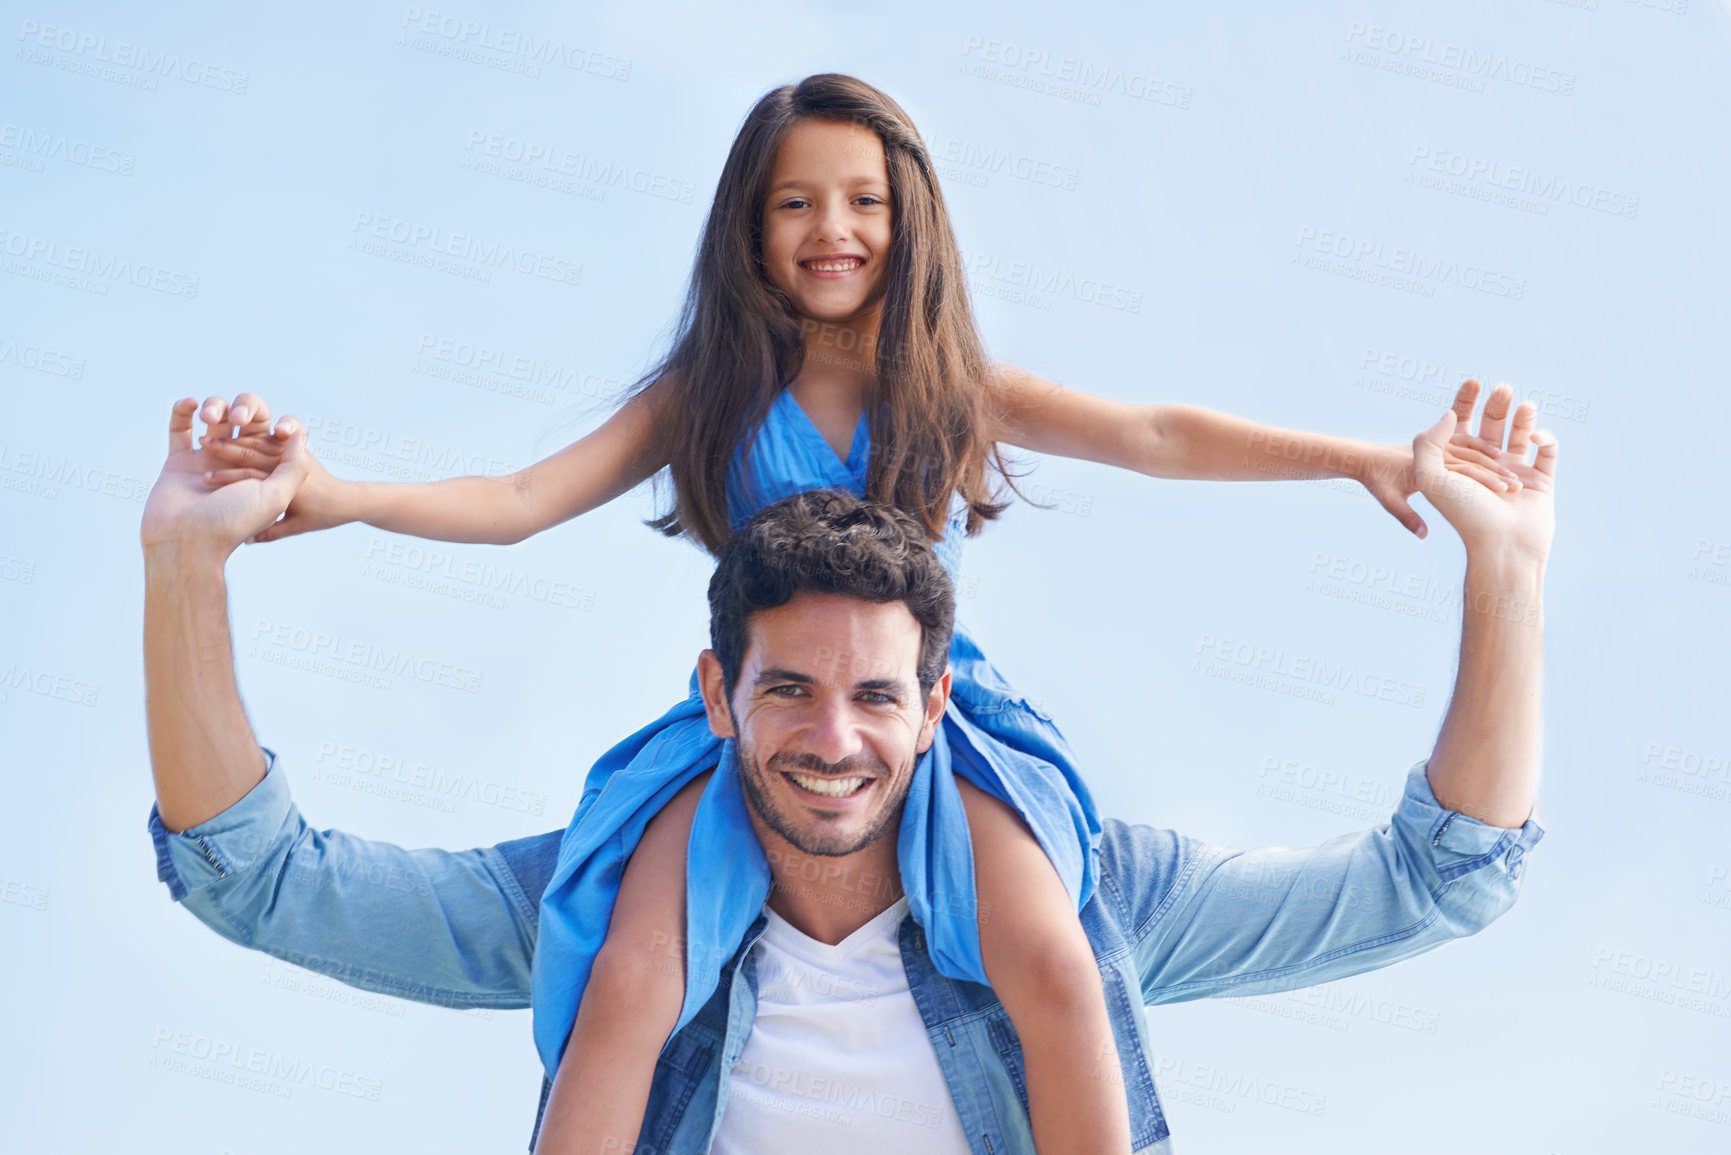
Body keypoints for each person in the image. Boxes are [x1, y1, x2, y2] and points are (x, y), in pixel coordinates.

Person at [189, 73, 1529, 1155]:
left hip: (929, 718)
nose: (832, 230)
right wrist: (344, 492)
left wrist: (1353, 457)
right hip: (762, 716)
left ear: (908, 216)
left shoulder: (941, 379)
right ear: (750, 227)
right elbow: (524, 495)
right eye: (795, 205)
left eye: (862, 201)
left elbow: (1153, 432)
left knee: (1052, 966)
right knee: (629, 981)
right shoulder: (708, 387)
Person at [143, 384, 1554, 1154]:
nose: (833, 740)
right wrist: (186, 562)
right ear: (717, 697)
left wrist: (1508, 569)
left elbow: (1437, 880)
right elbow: (261, 880)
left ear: (938, 705)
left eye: (876, 696)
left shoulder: (1087, 901)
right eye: (791, 692)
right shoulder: (605, 913)